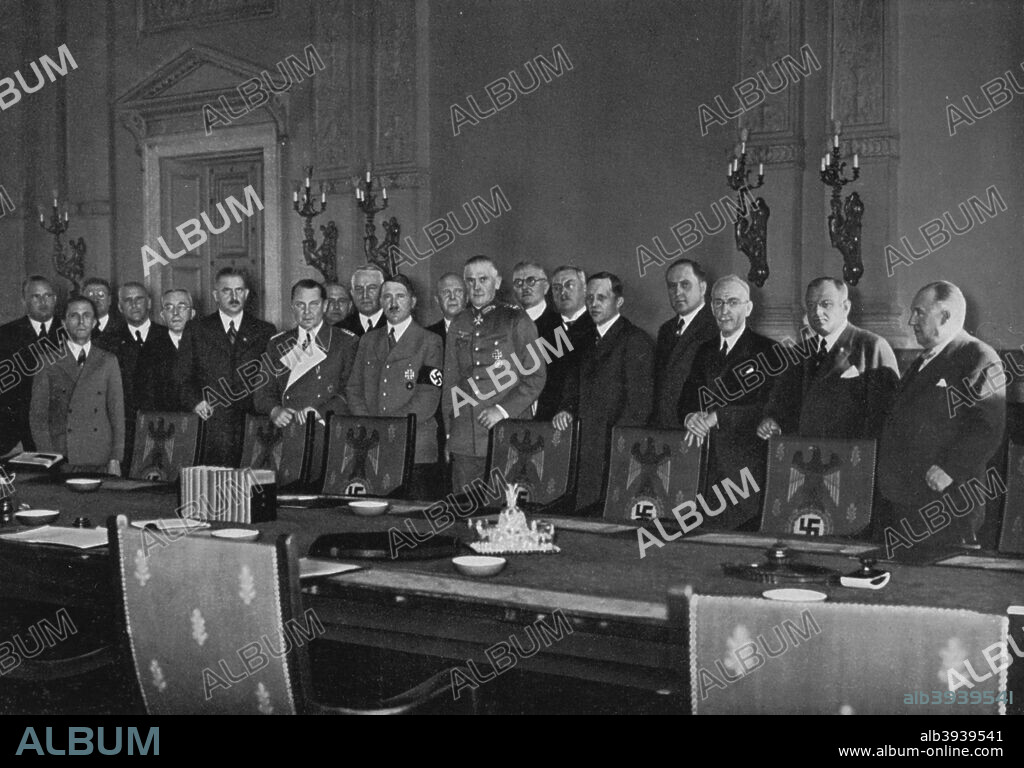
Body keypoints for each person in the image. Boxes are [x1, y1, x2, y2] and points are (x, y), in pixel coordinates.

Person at [877, 281, 1005, 557]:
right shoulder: (926, 359)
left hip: (947, 504)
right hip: (907, 499)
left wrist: (950, 468)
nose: (911, 320)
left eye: (919, 312)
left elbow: (987, 427)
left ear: (945, 316)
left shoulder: (979, 356)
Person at [678, 275, 776, 530]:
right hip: (704, 466)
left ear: (748, 308)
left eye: (733, 302)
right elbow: (688, 395)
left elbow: (768, 410)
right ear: (711, 308)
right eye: (719, 303)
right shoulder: (705, 350)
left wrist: (719, 416)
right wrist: (691, 416)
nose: (724, 310)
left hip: (744, 469)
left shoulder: (768, 351)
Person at [442, 255, 546, 488]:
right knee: (465, 511)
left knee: (504, 512)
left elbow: (536, 377)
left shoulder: (516, 320)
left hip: (506, 434)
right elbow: (451, 383)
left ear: (497, 282)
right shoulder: (459, 323)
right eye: (470, 281)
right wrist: (450, 435)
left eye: (483, 279)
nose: (476, 286)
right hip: (465, 438)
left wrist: (502, 410)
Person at [553, 271, 653, 510]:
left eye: (602, 298)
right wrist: (566, 409)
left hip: (615, 449)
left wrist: (617, 446)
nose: (594, 304)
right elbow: (572, 386)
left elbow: (640, 406)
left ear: (618, 302)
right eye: (589, 298)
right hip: (583, 446)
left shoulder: (635, 340)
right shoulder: (583, 339)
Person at [759, 277, 899, 441]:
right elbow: (781, 404)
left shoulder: (872, 347)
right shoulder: (799, 352)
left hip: (851, 458)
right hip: (803, 458)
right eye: (811, 306)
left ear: (845, 307)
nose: (817, 312)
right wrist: (772, 420)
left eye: (826, 304)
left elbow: (887, 419)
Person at [347, 274, 444, 498]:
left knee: (413, 520)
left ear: (413, 301)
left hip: (415, 447)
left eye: (400, 296)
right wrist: (371, 424)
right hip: (373, 444)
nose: (393, 302)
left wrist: (390, 426)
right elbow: (353, 389)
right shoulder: (368, 340)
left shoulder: (430, 341)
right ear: (380, 302)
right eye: (387, 296)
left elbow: (428, 397)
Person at [177, 267, 275, 466]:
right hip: (211, 426)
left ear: (246, 294)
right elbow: (181, 377)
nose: (233, 296)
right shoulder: (196, 329)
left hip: (252, 426)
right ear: (215, 295)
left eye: (239, 290)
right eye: (226, 291)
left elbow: (271, 380)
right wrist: (195, 402)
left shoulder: (265, 330)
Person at [29, 296, 123, 475]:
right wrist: (49, 458)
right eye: (74, 316)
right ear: (64, 323)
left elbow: (117, 414)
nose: (81, 321)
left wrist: (115, 458)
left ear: (94, 323)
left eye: (87, 315)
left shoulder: (108, 360)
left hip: (99, 456)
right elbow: (38, 418)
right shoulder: (47, 361)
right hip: (62, 456)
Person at [255, 279, 358, 426]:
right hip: (287, 428)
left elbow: (351, 392)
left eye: (314, 304)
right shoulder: (277, 343)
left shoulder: (345, 342)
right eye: (300, 305)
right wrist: (274, 410)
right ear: (292, 307)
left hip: (327, 427)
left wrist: (321, 411)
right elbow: (262, 392)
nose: (307, 312)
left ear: (325, 306)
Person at [113, 282, 175, 467]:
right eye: (128, 300)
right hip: (126, 429)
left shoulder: (169, 336)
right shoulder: (109, 341)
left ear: (148, 302)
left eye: (139, 299)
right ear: (119, 306)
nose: (134, 304)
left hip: (165, 427)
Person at [0, 275, 63, 454]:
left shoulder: (70, 331)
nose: (43, 301)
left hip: (61, 430)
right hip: (17, 432)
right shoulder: (6, 334)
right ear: (24, 301)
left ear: (55, 299)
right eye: (36, 296)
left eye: (48, 296)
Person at [652, 259, 717, 428]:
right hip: (666, 427)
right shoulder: (666, 330)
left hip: (696, 427)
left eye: (685, 284)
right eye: (672, 286)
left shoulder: (716, 327)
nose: (677, 292)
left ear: (702, 288)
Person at [535, 265, 594, 421]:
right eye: (556, 288)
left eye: (569, 285)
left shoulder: (597, 325)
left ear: (585, 288)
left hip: (583, 419)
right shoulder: (541, 327)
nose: (563, 292)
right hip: (545, 419)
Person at [160, 288, 196, 412]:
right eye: (169, 308)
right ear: (162, 315)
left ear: (192, 313)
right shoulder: (151, 350)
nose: (175, 313)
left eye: (182, 307)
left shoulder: (207, 345)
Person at [511, 261, 559, 338]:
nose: (524, 287)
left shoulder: (558, 323)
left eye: (531, 281)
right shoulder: (508, 323)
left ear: (546, 287)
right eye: (518, 282)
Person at [339, 265, 386, 336]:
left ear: (384, 291)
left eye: (371, 288)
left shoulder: (397, 324)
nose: (365, 295)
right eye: (359, 289)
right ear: (352, 293)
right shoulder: (340, 329)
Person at [82, 277, 121, 352]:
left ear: (109, 300)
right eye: (90, 295)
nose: (95, 299)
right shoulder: (71, 329)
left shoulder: (123, 329)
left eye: (101, 295)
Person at [426, 272, 467, 343]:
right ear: (437, 300)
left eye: (458, 291)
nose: (452, 297)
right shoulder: (426, 336)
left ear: (466, 298)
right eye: (446, 292)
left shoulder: (483, 331)